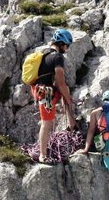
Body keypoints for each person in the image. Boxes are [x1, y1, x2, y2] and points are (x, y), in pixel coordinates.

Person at [31, 29, 77, 164]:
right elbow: (60, 82)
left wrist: (66, 95)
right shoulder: (57, 57)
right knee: (47, 122)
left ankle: (71, 123)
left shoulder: (45, 55)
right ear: (61, 43)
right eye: (67, 46)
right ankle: (42, 155)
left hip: (42, 90)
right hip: (46, 94)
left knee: (66, 90)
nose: (67, 49)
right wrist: (68, 99)